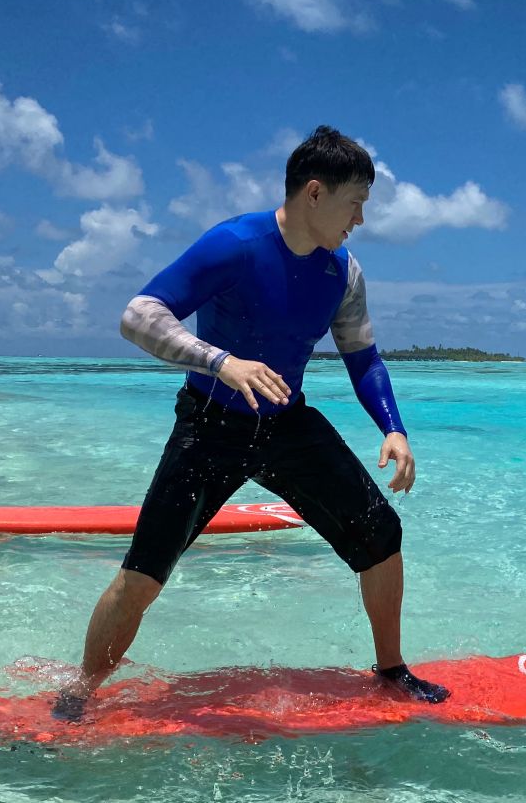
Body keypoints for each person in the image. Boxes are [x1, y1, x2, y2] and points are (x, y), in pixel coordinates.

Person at [53, 126, 447, 721]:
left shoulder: (344, 272)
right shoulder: (235, 244)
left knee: (381, 535)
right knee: (143, 574)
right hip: (210, 425)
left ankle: (390, 670)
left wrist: (392, 427)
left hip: (287, 423)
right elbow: (138, 316)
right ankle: (80, 692)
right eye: (355, 204)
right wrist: (220, 361)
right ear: (315, 193)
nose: (360, 220)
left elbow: (361, 355)